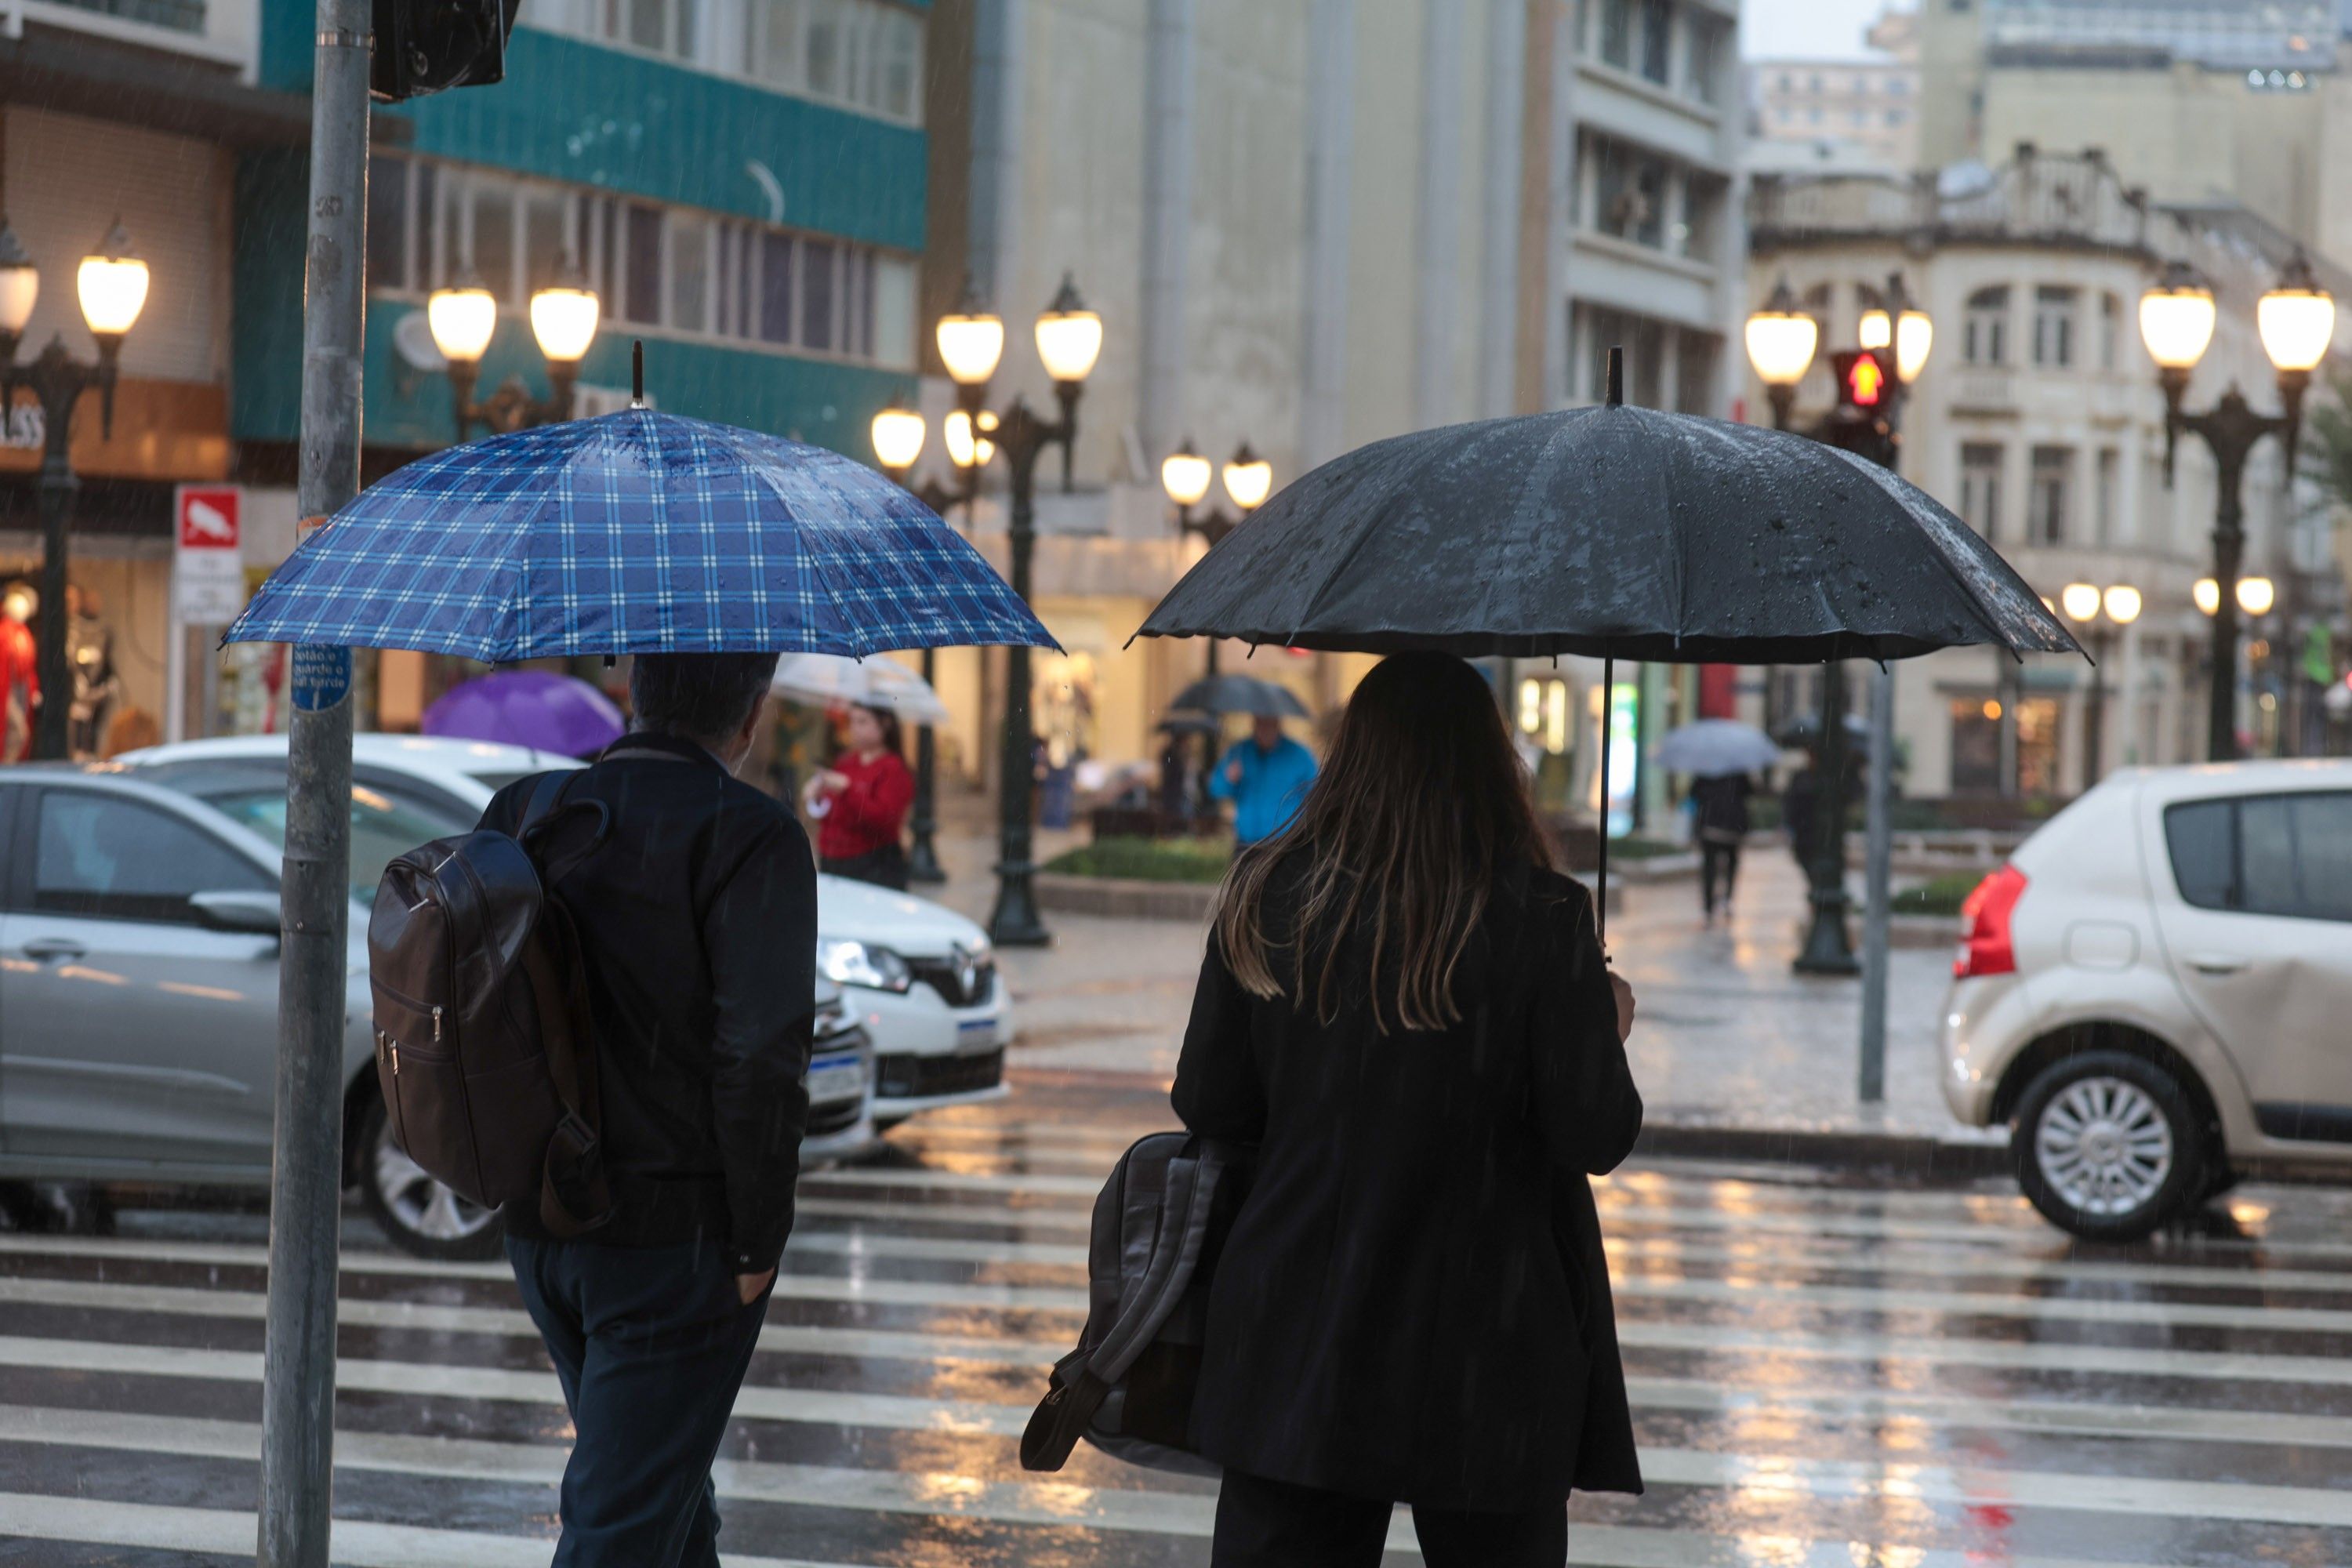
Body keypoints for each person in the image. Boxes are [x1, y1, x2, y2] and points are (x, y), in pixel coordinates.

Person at [1173, 652, 1644, 1568]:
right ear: (1490, 763)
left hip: (1301, 1332)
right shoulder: (1541, 917)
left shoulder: (1270, 896)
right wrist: (1602, 1020)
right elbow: (1597, 1133)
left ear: (1351, 754)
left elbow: (1210, 1102)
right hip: (1485, 1347)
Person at [481, 652, 816, 1568]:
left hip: (544, 1220)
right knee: (624, 1527)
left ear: (635, 695)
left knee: (663, 1498)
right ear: (750, 717)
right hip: (674, 1242)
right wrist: (758, 1241)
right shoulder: (750, 835)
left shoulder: (531, 811)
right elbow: (761, 1057)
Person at [803, 702, 914, 889]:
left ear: (885, 724)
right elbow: (832, 813)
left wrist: (848, 790)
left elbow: (885, 819)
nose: (855, 729)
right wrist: (817, 797)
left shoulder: (893, 768)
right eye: (852, 722)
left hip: (871, 862)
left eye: (862, 722)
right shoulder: (846, 763)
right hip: (833, 859)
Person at [1207, 713, 1317, 845]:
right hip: (1246, 840)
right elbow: (1216, 788)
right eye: (1260, 723)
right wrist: (1229, 778)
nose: (1264, 730)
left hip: (1285, 839)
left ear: (1277, 724)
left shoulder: (1299, 755)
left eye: (1268, 724)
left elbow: (1316, 793)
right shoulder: (1240, 751)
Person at [1689, 771, 1754, 924]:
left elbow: (1693, 794)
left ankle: (1709, 905)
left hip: (1710, 826)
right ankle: (1727, 899)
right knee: (1731, 864)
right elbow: (1750, 792)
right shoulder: (1738, 772)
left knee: (1709, 867)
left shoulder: (1705, 772)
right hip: (1733, 827)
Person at [0, 583, 38, 764]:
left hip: (20, 689)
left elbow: (28, 666)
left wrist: (33, 689)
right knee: (18, 732)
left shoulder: (23, 634)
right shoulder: (5, 634)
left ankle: (11, 765)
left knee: (19, 732)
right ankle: (8, 766)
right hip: (7, 688)